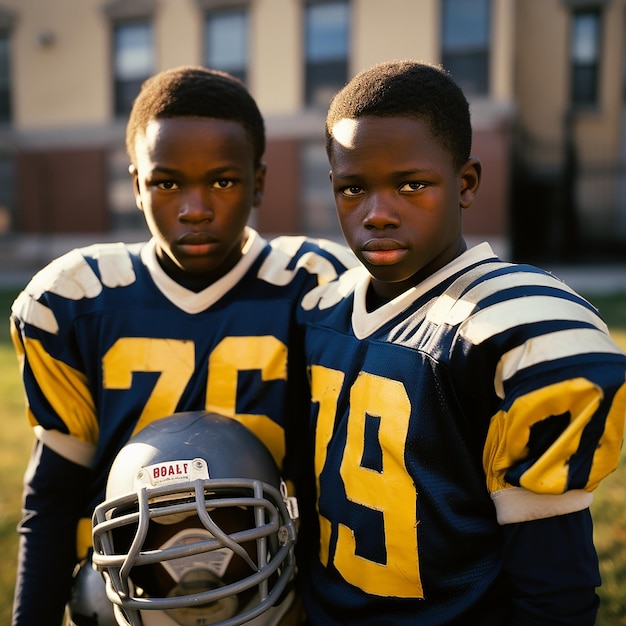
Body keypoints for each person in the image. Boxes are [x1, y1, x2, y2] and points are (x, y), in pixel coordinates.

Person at [9, 65, 354, 626]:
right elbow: (52, 494)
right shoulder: (76, 301)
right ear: (137, 183)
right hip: (132, 586)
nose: (195, 208)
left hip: (276, 583)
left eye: (222, 181)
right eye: (167, 182)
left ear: (259, 181)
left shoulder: (318, 288)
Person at [294, 60, 626, 625]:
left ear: (465, 183)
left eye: (411, 185)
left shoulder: (510, 325)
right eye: (353, 189)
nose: (377, 213)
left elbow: (554, 588)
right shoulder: (319, 309)